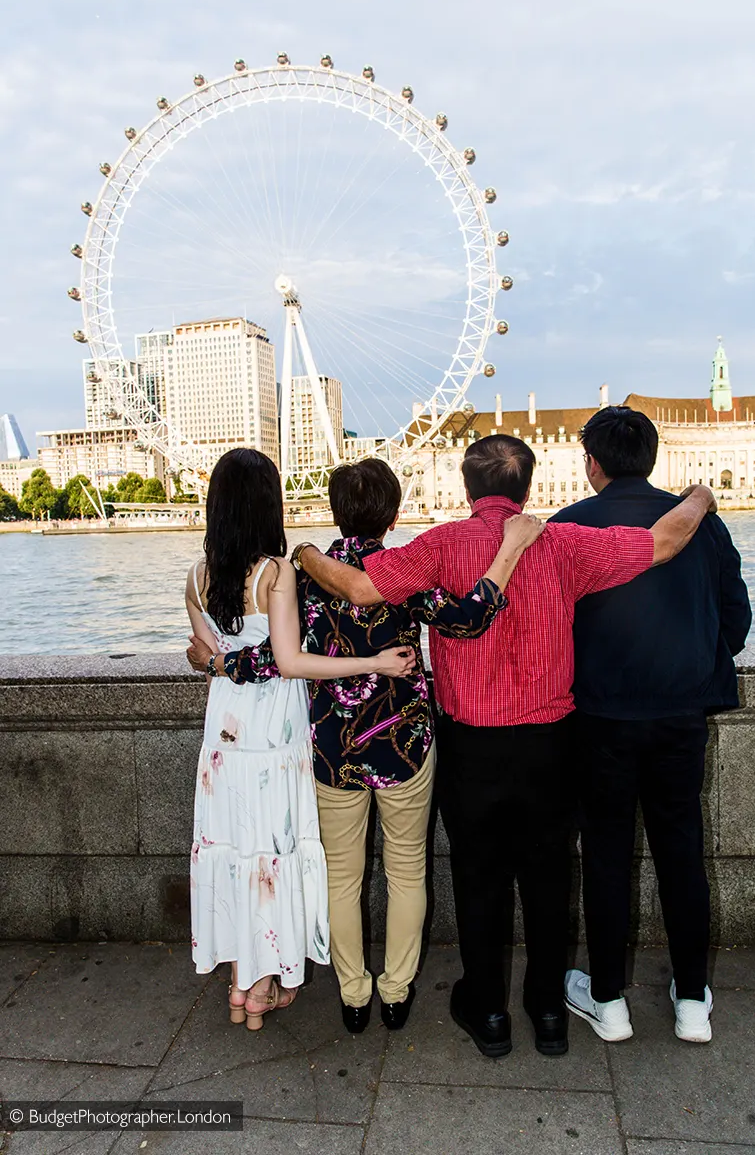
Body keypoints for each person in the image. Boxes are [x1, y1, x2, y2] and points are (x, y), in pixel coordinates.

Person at [288, 435, 719, 1059]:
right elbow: (665, 540)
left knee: (478, 876)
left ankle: (487, 1009)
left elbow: (357, 588)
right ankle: (547, 1011)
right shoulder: (563, 543)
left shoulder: (440, 545)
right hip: (551, 740)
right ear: (526, 486)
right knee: (549, 877)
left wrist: (302, 551)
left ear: (468, 489)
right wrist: (699, 494)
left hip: (472, 745)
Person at [187, 458, 540, 1034]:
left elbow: (274, 659)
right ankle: (396, 990)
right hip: (405, 743)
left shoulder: (300, 574)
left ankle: (353, 993)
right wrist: (508, 553)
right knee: (407, 871)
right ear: (395, 514)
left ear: (332, 510)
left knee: (341, 877)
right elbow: (469, 618)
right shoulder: (403, 572)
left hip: (331, 747)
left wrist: (220, 662)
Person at [185, 449, 416, 1031]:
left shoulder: (194, 575)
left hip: (224, 731)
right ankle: (264, 985)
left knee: (236, 849)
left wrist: (215, 662)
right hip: (274, 731)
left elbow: (213, 657)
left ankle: (244, 981)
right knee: (272, 850)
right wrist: (374, 662)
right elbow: (289, 661)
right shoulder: (277, 573)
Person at [552, 406, 751, 1044]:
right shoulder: (702, 527)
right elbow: (735, 620)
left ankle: (608, 1000)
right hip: (678, 717)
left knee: (607, 856)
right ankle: (692, 999)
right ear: (653, 457)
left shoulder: (567, 528)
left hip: (599, 719)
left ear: (592, 463)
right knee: (682, 853)